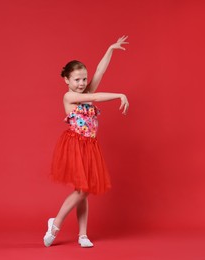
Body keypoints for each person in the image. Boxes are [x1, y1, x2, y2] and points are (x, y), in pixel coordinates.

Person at [44, 36, 130, 248]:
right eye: (77, 80)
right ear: (67, 80)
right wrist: (120, 94)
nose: (82, 83)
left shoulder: (86, 92)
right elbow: (98, 97)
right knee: (82, 190)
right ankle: (55, 223)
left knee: (85, 190)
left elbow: (100, 71)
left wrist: (110, 49)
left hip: (90, 145)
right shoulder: (69, 97)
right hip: (76, 145)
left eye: (84, 79)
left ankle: (82, 234)